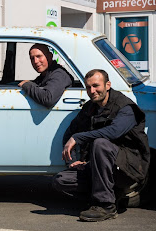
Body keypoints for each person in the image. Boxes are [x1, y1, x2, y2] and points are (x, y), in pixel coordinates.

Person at [51, 69, 150, 222]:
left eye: (96, 86)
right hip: (99, 168)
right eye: (88, 87)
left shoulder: (125, 107)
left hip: (127, 169)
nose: (92, 91)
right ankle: (108, 194)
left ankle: (106, 205)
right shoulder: (90, 108)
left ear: (108, 85)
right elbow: (70, 133)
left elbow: (114, 132)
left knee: (100, 144)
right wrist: (73, 161)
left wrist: (78, 137)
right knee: (61, 180)